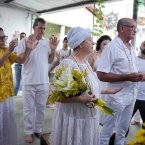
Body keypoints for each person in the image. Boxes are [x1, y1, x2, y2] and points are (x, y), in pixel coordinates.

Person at [50, 26, 122, 145]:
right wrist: (80, 99)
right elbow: (56, 97)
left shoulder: (86, 63)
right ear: (80, 44)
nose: (93, 42)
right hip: (74, 120)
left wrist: (107, 91)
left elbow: (88, 88)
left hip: (88, 118)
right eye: (90, 39)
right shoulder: (68, 64)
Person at [97, 18, 144, 145]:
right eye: (132, 27)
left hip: (132, 95)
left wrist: (140, 77)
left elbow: (131, 71)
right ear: (122, 28)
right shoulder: (111, 47)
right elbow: (100, 75)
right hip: (117, 96)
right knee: (107, 131)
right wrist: (128, 77)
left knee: (123, 131)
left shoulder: (131, 47)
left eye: (135, 28)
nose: (135, 30)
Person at [14, 18, 59, 143]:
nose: (42, 31)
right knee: (28, 109)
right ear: (34, 28)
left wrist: (54, 50)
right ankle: (28, 132)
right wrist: (29, 49)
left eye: (44, 28)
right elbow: (19, 60)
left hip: (43, 81)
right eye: (40, 28)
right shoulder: (24, 41)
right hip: (29, 81)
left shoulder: (46, 42)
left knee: (41, 108)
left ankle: (38, 129)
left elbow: (50, 61)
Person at [0, 27, 35, 145]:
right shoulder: (6, 50)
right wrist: (9, 51)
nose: (3, 40)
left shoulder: (5, 49)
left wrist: (28, 50)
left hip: (6, 95)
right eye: (0, 38)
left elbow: (21, 60)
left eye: (3, 37)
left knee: (5, 125)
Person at [88, 35, 111, 125]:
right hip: (97, 83)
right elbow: (88, 70)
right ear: (100, 44)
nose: (106, 46)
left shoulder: (110, 56)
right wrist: (93, 61)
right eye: (104, 44)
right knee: (96, 105)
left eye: (108, 44)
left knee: (106, 104)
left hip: (107, 84)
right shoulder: (94, 54)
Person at [127, 41, 145, 135]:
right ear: (140, 47)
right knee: (125, 123)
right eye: (144, 44)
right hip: (132, 97)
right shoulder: (134, 60)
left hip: (144, 99)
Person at [48, 37, 69, 108]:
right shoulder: (59, 51)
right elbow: (55, 62)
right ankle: (54, 102)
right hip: (59, 72)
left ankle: (61, 104)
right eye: (65, 41)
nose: (67, 43)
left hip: (67, 73)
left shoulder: (70, 52)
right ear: (63, 42)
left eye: (68, 42)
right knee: (55, 88)